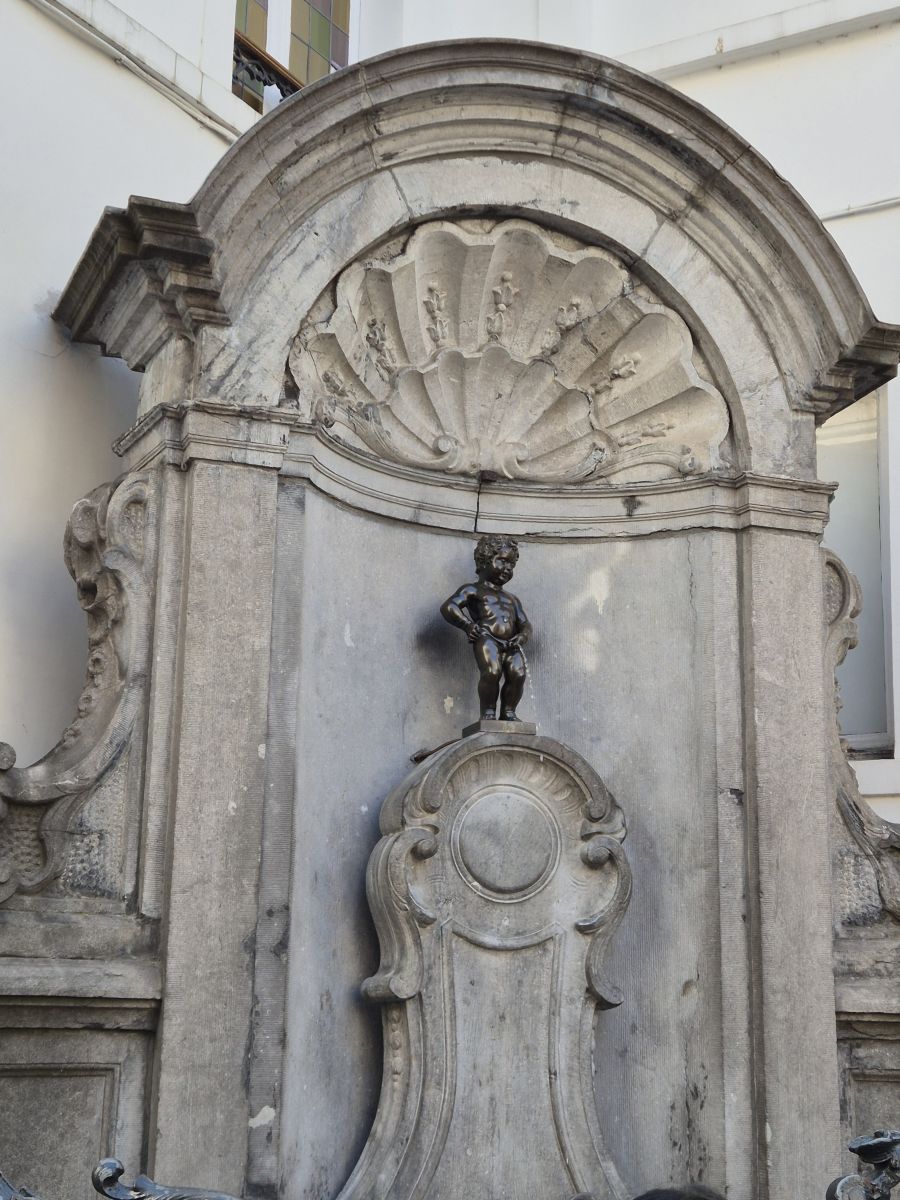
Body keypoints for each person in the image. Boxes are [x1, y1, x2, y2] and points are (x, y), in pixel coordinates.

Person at [440, 534, 532, 722]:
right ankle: (488, 713)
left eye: (511, 564)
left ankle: (508, 712)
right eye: (503, 561)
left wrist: (522, 636)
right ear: (484, 561)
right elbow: (449, 606)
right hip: (487, 638)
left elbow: (525, 624)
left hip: (512, 643)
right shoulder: (473, 590)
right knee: (492, 672)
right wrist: (467, 625)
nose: (508, 568)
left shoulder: (512, 599)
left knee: (518, 674)